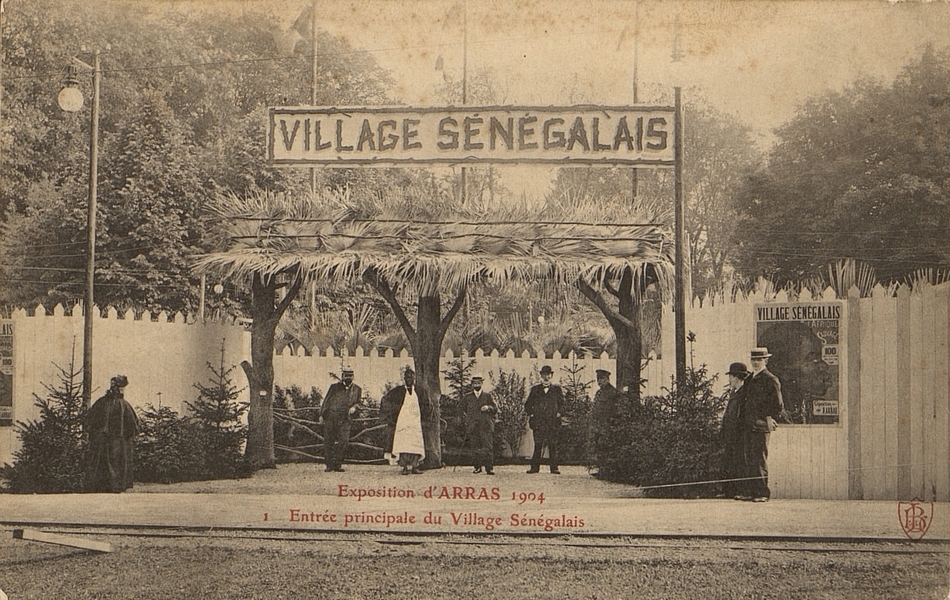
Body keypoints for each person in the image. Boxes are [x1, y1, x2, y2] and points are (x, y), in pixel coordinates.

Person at [758, 321, 833, 424]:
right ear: (784, 370)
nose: (825, 366)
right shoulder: (760, 416)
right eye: (813, 359)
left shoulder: (823, 415)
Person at [740, 348, 784, 502]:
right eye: (753, 360)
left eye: (759, 360)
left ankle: (762, 493)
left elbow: (777, 405)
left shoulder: (770, 379)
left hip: (760, 425)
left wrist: (767, 417)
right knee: (749, 458)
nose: (755, 362)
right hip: (748, 423)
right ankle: (751, 491)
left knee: (759, 458)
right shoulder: (750, 378)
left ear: (766, 361)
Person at [84, 375, 140, 493]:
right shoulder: (123, 405)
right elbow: (133, 426)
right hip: (115, 442)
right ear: (119, 388)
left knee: (105, 460)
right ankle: (115, 486)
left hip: (105, 441)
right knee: (114, 461)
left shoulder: (102, 403)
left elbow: (89, 421)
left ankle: (103, 485)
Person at [379, 368, 431, 475]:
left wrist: (425, 419)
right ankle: (404, 467)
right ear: (404, 379)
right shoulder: (398, 391)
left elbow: (427, 405)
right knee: (403, 444)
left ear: (414, 378)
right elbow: (385, 400)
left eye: (412, 377)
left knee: (415, 443)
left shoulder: (420, 391)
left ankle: (415, 466)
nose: (410, 380)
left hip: (415, 422)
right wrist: (391, 416)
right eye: (407, 378)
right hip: (402, 423)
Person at [320, 367, 362, 472]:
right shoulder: (334, 387)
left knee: (344, 441)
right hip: (331, 417)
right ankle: (329, 465)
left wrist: (354, 407)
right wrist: (322, 415)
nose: (348, 377)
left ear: (353, 376)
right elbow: (326, 400)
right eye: (346, 375)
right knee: (329, 441)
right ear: (342, 376)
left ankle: (338, 464)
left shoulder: (357, 389)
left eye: (350, 375)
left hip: (345, 419)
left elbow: (359, 403)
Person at [524, 365, 563, 474]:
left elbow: (562, 404)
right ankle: (534, 467)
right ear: (541, 375)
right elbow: (527, 404)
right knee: (538, 444)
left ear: (551, 375)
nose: (546, 377)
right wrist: (531, 414)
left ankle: (554, 468)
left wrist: (559, 413)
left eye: (549, 374)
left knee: (553, 444)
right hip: (539, 422)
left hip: (552, 421)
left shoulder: (557, 389)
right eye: (544, 374)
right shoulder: (535, 389)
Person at [720, 362, 749, 499]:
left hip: (739, 434)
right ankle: (729, 491)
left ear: (736, 377)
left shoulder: (745, 394)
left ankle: (741, 491)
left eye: (730, 376)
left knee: (740, 462)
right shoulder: (734, 392)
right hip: (730, 434)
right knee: (729, 461)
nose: (729, 380)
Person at [462, 374, 497, 475]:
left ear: (482, 383)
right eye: (475, 383)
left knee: (488, 447)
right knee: (475, 447)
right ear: (472, 385)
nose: (477, 385)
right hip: (473, 427)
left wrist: (488, 407)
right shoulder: (467, 397)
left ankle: (489, 468)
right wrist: (466, 420)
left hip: (485, 425)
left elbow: (495, 409)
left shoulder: (487, 396)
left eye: (479, 383)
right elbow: (460, 409)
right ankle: (477, 467)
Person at [588, 369, 618, 477]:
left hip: (607, 424)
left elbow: (613, 410)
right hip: (598, 424)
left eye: (601, 379)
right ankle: (601, 469)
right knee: (599, 447)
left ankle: (606, 471)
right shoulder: (599, 392)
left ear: (607, 379)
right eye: (598, 380)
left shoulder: (612, 392)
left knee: (606, 447)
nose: (599, 382)